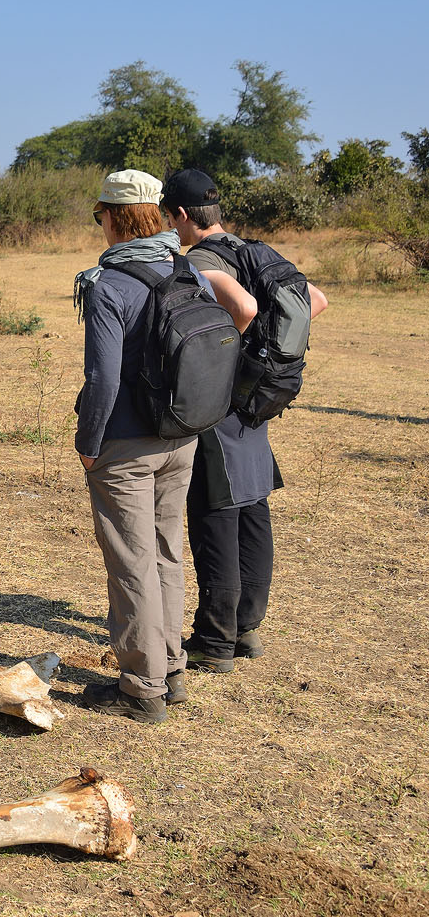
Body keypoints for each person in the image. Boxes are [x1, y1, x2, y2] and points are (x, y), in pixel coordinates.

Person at [73, 169, 255, 724]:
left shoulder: (107, 285)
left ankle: (141, 687)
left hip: (125, 445)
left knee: (131, 563)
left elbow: (103, 379)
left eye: (99, 213)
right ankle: (170, 669)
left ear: (114, 215)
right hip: (182, 437)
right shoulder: (188, 272)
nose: (99, 222)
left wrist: (89, 441)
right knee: (165, 554)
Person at [161, 169, 328, 673]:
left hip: (221, 401)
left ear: (183, 216)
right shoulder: (253, 250)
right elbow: (315, 300)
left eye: (171, 218)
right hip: (258, 402)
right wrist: (263, 358)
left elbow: (245, 308)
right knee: (253, 505)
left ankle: (215, 640)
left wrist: (227, 352)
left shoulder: (201, 260)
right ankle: (247, 629)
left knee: (216, 512)